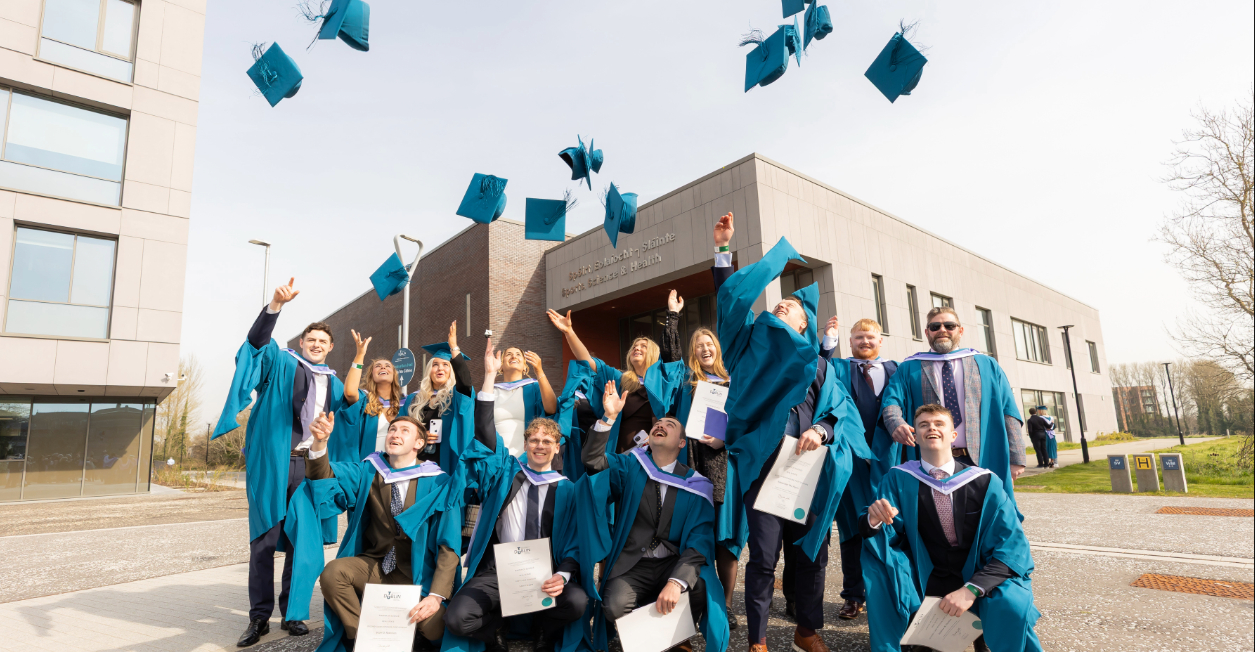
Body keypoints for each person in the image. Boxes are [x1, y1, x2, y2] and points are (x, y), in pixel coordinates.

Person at [710, 213, 867, 652]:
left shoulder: (820, 365)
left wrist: (821, 429)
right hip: (764, 467)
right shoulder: (747, 343)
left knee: (812, 552)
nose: (781, 306)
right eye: (778, 304)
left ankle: (806, 631)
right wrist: (722, 251)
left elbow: (840, 410)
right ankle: (758, 639)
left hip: (807, 469)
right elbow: (730, 302)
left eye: (791, 307)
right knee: (763, 557)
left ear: (804, 325)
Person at [212, 279, 346, 646]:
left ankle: (293, 613)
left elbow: (358, 415)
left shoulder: (334, 384)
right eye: (311, 339)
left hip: (310, 467)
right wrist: (275, 306)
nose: (316, 345)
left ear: (331, 347)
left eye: (322, 341)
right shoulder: (283, 362)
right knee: (264, 541)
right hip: (275, 463)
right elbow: (256, 344)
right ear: (301, 342)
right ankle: (259, 618)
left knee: (302, 542)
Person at [443, 338, 587, 652]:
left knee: (577, 601)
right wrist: (489, 375)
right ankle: (494, 629)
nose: (539, 446)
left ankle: (544, 629)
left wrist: (563, 575)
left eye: (546, 441)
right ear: (524, 444)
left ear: (557, 448)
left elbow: (575, 541)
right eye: (533, 440)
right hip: (500, 569)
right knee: (457, 618)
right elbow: (485, 432)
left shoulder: (566, 489)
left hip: (546, 571)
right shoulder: (505, 474)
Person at [860, 404, 1042, 652]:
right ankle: (912, 633)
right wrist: (874, 519)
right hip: (925, 576)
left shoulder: (985, 481)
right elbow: (886, 536)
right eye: (923, 424)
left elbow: (1011, 545)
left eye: (939, 423)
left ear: (953, 435)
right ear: (915, 436)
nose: (931, 428)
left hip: (977, 573)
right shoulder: (898, 478)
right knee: (879, 572)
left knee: (1011, 602)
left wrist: (972, 589)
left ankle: (986, 634)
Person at [578, 379, 730, 652]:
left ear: (681, 443)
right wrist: (608, 417)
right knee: (613, 605)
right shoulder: (630, 465)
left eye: (670, 424)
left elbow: (699, 540)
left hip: (671, 562)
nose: (661, 425)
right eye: (658, 423)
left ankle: (675, 636)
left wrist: (676, 581)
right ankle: (651, 638)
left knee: (697, 588)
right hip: (633, 564)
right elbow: (593, 461)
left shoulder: (696, 484)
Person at [303, 412, 460, 652]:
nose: (395, 434)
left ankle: (419, 637)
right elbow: (324, 476)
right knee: (334, 573)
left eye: (404, 431)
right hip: (377, 566)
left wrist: (436, 596)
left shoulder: (438, 483)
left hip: (417, 575)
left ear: (419, 443)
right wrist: (320, 442)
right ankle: (365, 639)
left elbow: (448, 545)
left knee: (432, 627)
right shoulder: (370, 471)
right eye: (392, 429)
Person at [648, 289, 741, 630]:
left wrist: (724, 438)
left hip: (723, 463)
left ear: (717, 348)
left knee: (725, 538)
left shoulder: (733, 382)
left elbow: (744, 421)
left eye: (709, 344)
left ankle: (725, 606)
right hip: (692, 461)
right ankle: (693, 601)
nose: (704, 348)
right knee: (693, 533)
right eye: (699, 345)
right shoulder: (687, 382)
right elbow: (670, 359)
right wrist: (672, 316)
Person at [880, 306, 1028, 506]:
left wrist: (1017, 457)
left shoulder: (986, 364)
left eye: (949, 325)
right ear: (927, 332)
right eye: (935, 326)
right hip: (931, 460)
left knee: (987, 513)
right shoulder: (910, 367)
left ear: (960, 330)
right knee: (935, 516)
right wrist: (895, 422)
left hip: (981, 455)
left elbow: (1008, 411)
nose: (942, 330)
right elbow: (891, 401)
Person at [819, 317, 900, 622]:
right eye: (858, 337)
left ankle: (890, 592)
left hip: (888, 460)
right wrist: (828, 341)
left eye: (870, 337)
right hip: (850, 461)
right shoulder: (838, 367)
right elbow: (816, 369)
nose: (865, 342)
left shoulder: (896, 370)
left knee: (890, 525)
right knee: (852, 530)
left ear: (880, 340)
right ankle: (854, 595)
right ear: (850, 341)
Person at [547, 309, 661, 454]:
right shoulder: (620, 379)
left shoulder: (662, 385)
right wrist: (569, 332)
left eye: (643, 346)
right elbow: (587, 361)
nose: (637, 348)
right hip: (618, 451)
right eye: (634, 346)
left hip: (651, 453)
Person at [338, 330, 405, 461]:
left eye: (388, 366)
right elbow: (350, 392)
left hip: (398, 465)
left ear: (394, 375)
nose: (383, 367)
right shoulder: (365, 400)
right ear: (371, 375)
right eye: (378, 366)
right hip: (370, 465)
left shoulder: (406, 402)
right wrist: (360, 355)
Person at [491, 345, 559, 456]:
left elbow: (551, 409)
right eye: (508, 354)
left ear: (524, 367)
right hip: (497, 457)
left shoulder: (534, 387)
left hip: (527, 457)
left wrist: (539, 371)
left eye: (518, 354)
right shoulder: (491, 391)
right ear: (501, 366)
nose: (514, 356)